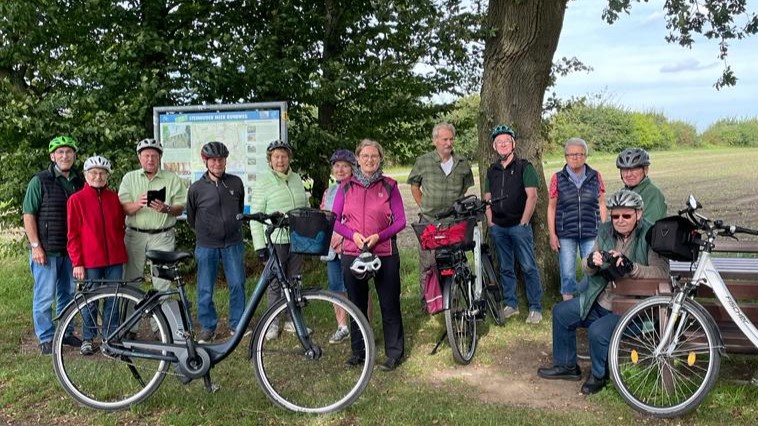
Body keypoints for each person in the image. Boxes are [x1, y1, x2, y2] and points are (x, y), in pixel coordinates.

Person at [537, 189, 669, 395]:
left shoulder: (651, 234)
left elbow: (662, 272)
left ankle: (599, 375)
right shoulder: (605, 230)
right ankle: (567, 366)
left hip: (633, 309)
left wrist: (632, 267)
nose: (620, 220)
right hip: (602, 298)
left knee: (598, 331)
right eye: (616, 215)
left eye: (626, 215)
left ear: (639, 214)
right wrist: (590, 262)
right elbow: (588, 263)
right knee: (561, 313)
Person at [332, 139, 407, 371]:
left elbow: (401, 220)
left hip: (384, 252)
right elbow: (333, 220)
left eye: (374, 156)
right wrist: (352, 235)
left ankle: (394, 353)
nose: (369, 160)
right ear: (358, 159)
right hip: (353, 252)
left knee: (389, 303)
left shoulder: (390, 186)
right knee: (357, 304)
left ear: (380, 159)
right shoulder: (345, 186)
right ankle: (359, 351)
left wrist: (379, 236)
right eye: (365, 156)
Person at [23, 136, 85, 354]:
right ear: (52, 156)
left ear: (74, 155)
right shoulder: (39, 181)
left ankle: (65, 333)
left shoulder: (80, 181)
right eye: (60, 152)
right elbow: (29, 215)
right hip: (47, 251)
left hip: (71, 251)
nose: (65, 156)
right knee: (44, 296)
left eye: (69, 152)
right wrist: (35, 246)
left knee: (68, 293)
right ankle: (46, 337)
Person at [407, 123, 474, 310]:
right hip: (429, 221)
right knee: (428, 263)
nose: (448, 143)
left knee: (455, 260)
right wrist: (425, 205)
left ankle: (454, 301)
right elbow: (414, 185)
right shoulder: (423, 161)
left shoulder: (462, 163)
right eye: (444, 139)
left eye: (451, 139)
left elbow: (465, 186)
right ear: (435, 140)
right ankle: (428, 302)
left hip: (453, 222)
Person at [67, 155, 128, 355]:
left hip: (115, 259)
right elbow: (73, 234)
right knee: (90, 300)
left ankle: (111, 337)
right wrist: (77, 262)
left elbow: (120, 226)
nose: (98, 176)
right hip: (91, 261)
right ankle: (88, 337)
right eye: (93, 173)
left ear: (108, 176)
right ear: (86, 175)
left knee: (113, 299)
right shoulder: (76, 200)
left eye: (102, 173)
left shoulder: (113, 198)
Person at [484, 124, 544, 324]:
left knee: (528, 266)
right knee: (506, 268)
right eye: (499, 142)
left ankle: (535, 307)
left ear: (513, 144)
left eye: (506, 141)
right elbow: (487, 197)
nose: (503, 145)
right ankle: (511, 304)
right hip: (499, 228)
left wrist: (524, 221)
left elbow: (532, 196)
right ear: (494, 146)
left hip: (519, 226)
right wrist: (490, 222)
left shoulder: (524, 167)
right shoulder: (491, 170)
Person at [187, 142, 246, 343]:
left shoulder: (236, 183)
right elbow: (191, 218)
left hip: (233, 243)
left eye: (221, 159)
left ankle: (237, 323)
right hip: (206, 246)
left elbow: (239, 207)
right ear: (206, 161)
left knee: (237, 284)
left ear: (225, 161)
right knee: (205, 288)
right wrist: (207, 232)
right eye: (213, 159)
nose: (217, 163)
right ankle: (208, 327)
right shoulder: (196, 188)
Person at [250, 140, 308, 340]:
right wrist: (260, 247)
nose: (280, 160)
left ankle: (293, 321)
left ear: (289, 158)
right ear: (270, 160)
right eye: (276, 157)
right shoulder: (263, 182)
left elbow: (306, 206)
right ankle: (273, 324)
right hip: (276, 240)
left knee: (294, 280)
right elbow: (256, 217)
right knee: (275, 283)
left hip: (297, 238)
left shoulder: (296, 179)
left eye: (284, 156)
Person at [118, 138, 187, 290]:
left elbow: (180, 208)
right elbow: (122, 208)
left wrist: (166, 209)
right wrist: (137, 204)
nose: (150, 159)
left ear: (160, 158)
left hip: (162, 236)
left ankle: (160, 312)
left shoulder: (172, 178)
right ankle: (131, 313)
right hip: (135, 236)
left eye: (154, 156)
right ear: (139, 157)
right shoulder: (129, 178)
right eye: (146, 156)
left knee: (162, 281)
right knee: (130, 280)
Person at [548, 138, 607, 300]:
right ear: (566, 156)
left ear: (586, 156)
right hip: (565, 233)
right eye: (572, 154)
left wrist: (604, 228)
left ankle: (585, 302)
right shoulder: (557, 178)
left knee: (593, 270)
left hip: (591, 232)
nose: (576, 158)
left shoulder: (595, 176)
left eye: (580, 154)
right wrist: (552, 234)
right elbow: (551, 207)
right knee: (567, 273)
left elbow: (602, 203)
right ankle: (568, 307)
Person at [320, 149, 357, 344]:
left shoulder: (357, 188)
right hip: (332, 249)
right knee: (336, 288)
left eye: (345, 165)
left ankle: (361, 326)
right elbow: (324, 216)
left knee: (357, 288)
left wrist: (344, 238)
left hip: (351, 246)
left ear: (352, 168)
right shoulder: (330, 191)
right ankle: (342, 327)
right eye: (337, 165)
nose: (340, 169)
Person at [616, 147, 667, 222]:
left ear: (645, 170)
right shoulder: (622, 193)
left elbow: (649, 229)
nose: (629, 174)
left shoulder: (652, 195)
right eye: (625, 169)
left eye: (634, 169)